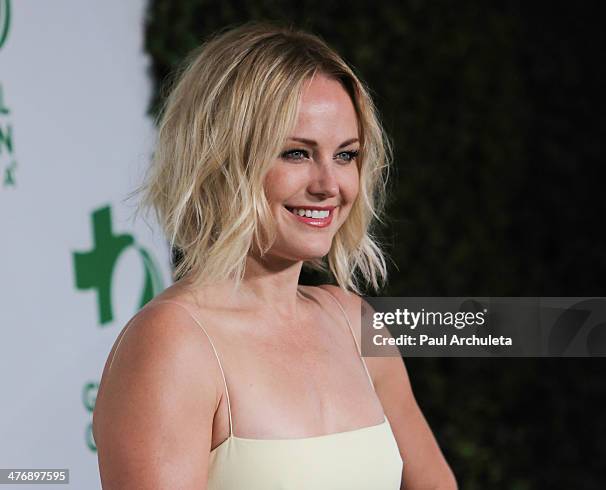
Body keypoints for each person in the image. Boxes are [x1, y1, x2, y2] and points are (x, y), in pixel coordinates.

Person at [92, 21, 457, 489]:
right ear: (222, 160)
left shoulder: (355, 323)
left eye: (345, 155)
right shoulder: (174, 343)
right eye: (296, 154)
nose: (329, 185)